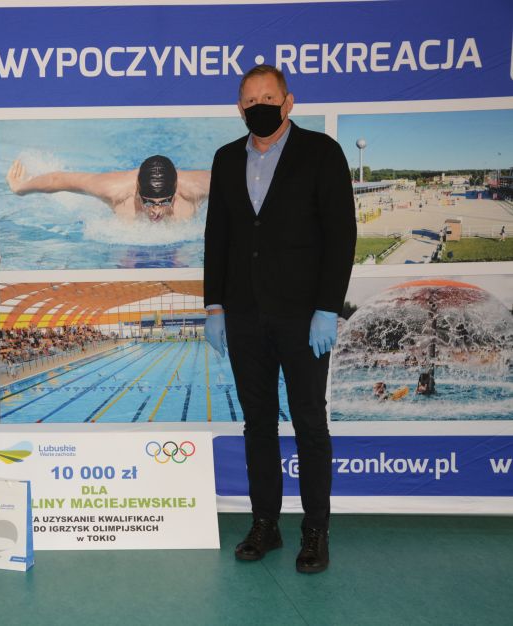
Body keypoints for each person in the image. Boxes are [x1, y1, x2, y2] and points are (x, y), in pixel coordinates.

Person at [203, 65, 356, 574]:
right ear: (239, 108)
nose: (260, 107)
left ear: (288, 102)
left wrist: (327, 308)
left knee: (310, 422)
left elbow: (341, 235)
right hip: (245, 316)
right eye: (250, 101)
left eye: (269, 98)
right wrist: (214, 306)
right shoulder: (227, 158)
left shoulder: (321, 153)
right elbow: (218, 236)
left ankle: (315, 531)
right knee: (258, 424)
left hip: (304, 317)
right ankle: (265, 524)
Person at [6, 154, 209, 222]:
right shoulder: (114, 190)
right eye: (148, 202)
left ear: (175, 193)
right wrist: (20, 188)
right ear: (138, 191)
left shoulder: (194, 189)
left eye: (164, 202)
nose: (156, 211)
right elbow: (59, 179)